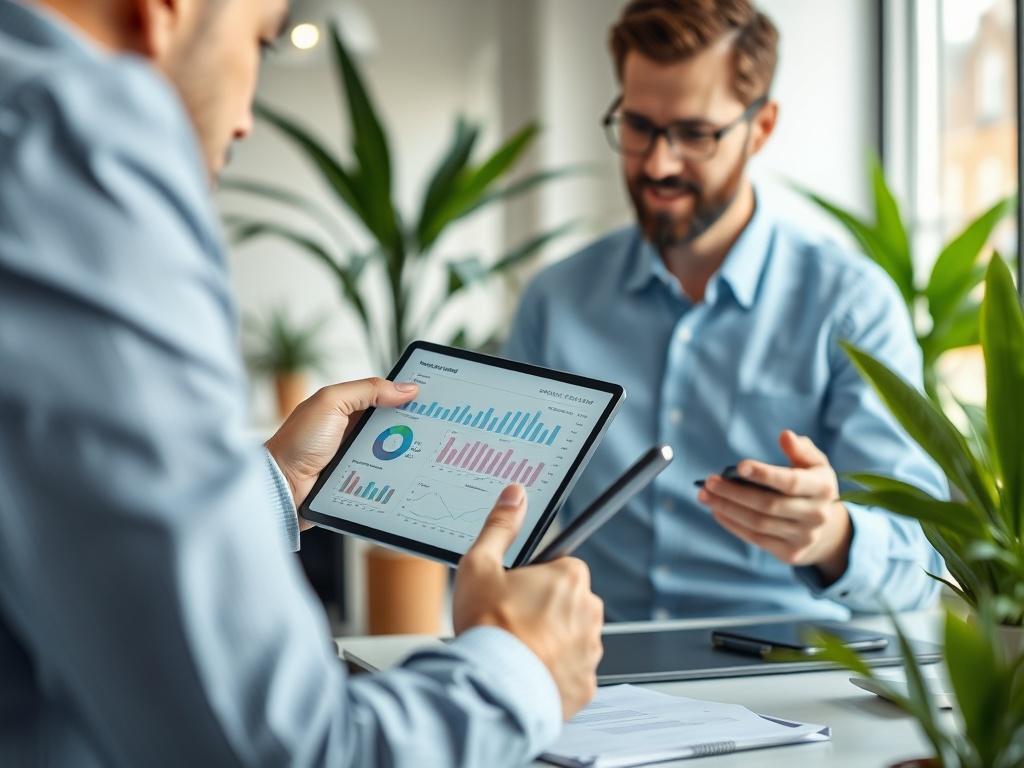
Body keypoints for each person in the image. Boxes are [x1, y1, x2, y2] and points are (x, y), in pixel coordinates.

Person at [0, 1, 603, 765]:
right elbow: (282, 749)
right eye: (260, 42)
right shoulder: (67, 136)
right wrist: (520, 665)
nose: (248, 118)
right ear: (161, 14)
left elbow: (54, 525)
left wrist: (277, 482)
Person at [504, 0, 947, 622]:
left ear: (760, 127)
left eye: (694, 134)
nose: (657, 164)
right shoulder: (554, 303)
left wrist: (832, 539)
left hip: (786, 678)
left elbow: (924, 565)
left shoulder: (850, 306)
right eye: (638, 126)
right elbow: (505, 522)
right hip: (595, 666)